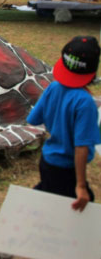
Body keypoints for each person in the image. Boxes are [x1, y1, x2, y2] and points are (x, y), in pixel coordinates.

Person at [27, 36, 101, 212]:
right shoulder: (85, 102)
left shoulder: (53, 88)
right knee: (84, 203)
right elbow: (81, 147)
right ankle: (18, 221)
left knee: (47, 193)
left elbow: (34, 119)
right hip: (66, 167)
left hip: (47, 161)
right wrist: (81, 186)